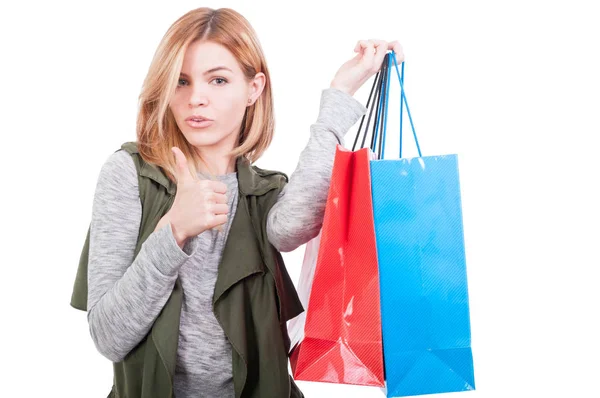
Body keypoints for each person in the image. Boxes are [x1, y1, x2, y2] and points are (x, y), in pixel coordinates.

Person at [82, 6, 403, 398]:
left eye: (218, 80)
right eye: (180, 81)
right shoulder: (130, 173)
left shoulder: (265, 193)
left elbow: (290, 228)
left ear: (254, 88)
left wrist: (340, 93)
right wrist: (174, 231)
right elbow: (108, 337)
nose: (196, 98)